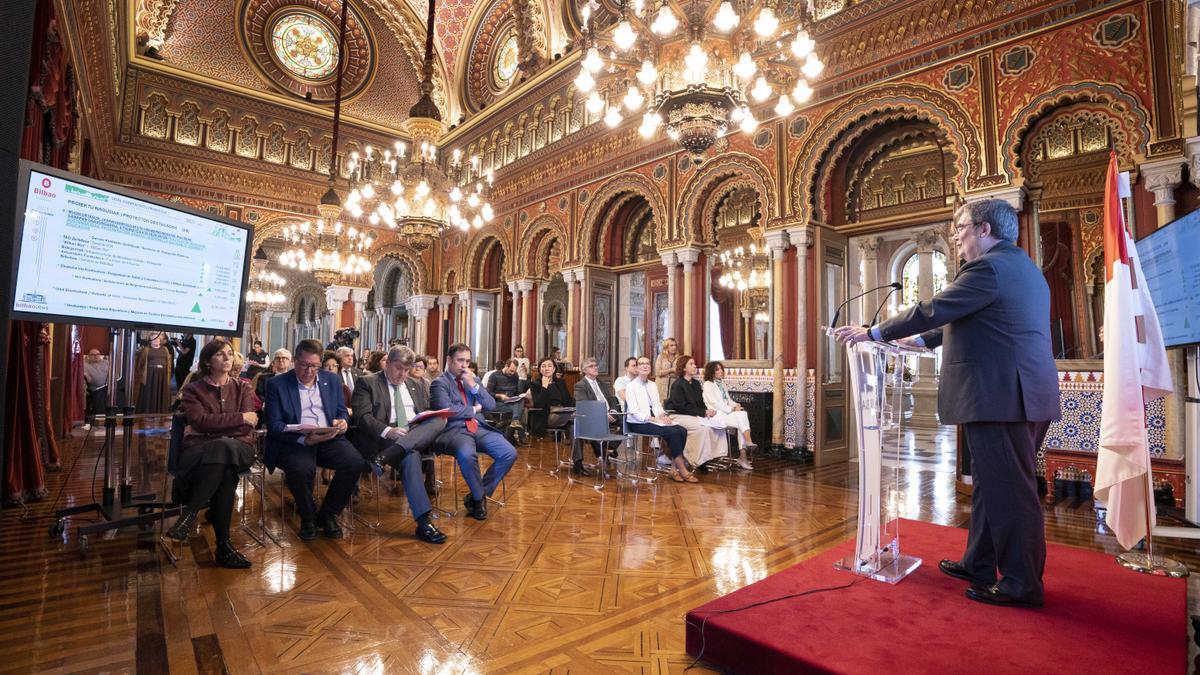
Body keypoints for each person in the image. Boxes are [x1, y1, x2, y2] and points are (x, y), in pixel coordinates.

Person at [834, 198, 1059, 608]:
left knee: (1011, 492)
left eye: (960, 228)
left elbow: (934, 308)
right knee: (993, 487)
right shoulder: (1020, 267)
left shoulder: (988, 268)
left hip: (1002, 396)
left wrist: (875, 333)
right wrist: (917, 341)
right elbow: (967, 317)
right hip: (1018, 393)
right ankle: (979, 562)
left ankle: (1021, 583)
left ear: (985, 230)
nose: (956, 237)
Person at [264, 339, 370, 540]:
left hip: (328, 437)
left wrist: (342, 422)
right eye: (304, 365)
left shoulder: (331, 380)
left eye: (314, 366)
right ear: (295, 361)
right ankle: (308, 516)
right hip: (295, 440)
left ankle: (329, 514)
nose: (309, 371)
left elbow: (341, 411)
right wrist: (303, 439)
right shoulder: (277, 385)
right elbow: (275, 426)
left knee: (355, 463)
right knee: (302, 469)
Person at [168, 338, 255, 569]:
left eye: (229, 353)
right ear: (207, 361)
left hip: (241, 448)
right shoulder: (192, 389)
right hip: (201, 452)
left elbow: (249, 424)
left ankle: (189, 514)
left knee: (223, 446)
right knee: (226, 472)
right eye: (220, 354)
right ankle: (224, 547)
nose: (227, 358)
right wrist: (238, 419)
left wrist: (215, 426)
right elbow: (200, 421)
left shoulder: (243, 387)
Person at [351, 346, 448, 544]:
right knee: (410, 456)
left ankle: (384, 458)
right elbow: (362, 417)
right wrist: (388, 431)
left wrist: (426, 419)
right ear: (387, 364)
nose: (402, 374)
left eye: (407, 369)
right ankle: (423, 522)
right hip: (383, 436)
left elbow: (423, 412)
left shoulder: (414, 384)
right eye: (398, 368)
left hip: (413, 432)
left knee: (439, 420)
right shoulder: (367, 382)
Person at [430, 343, 517, 521]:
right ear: (449, 360)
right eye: (460, 360)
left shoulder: (474, 380)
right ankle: (479, 500)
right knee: (467, 455)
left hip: (479, 428)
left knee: (509, 452)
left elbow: (491, 405)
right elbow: (446, 410)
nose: (464, 365)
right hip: (456, 430)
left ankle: (478, 494)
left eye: (467, 361)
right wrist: (474, 409)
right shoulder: (439, 383)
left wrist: (473, 387)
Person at [624, 356, 693, 482]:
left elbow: (657, 405)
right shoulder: (631, 386)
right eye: (641, 364)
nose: (645, 366)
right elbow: (633, 411)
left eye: (647, 363)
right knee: (672, 432)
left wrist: (663, 416)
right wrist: (653, 419)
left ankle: (673, 469)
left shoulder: (653, 384)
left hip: (656, 420)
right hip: (638, 423)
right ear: (637, 368)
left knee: (681, 430)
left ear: (650, 367)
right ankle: (682, 469)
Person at [665, 355, 728, 471]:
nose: (695, 366)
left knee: (715, 426)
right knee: (703, 429)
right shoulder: (678, 384)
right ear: (684, 368)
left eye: (694, 364)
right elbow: (681, 407)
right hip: (678, 415)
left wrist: (707, 412)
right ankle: (697, 461)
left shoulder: (695, 383)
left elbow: (700, 402)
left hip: (694, 414)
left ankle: (708, 458)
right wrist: (702, 412)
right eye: (691, 364)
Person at [572, 356, 622, 476]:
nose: (595, 367)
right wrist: (603, 414)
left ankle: (609, 448)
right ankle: (602, 451)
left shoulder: (601, 382)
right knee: (577, 427)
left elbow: (612, 398)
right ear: (584, 370)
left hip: (610, 415)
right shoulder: (580, 385)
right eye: (591, 366)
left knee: (628, 422)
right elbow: (585, 405)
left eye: (595, 365)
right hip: (594, 417)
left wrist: (613, 411)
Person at [702, 361, 755, 470]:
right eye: (717, 369)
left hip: (726, 413)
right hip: (716, 415)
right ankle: (745, 450)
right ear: (711, 372)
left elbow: (728, 400)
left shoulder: (722, 383)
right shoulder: (708, 384)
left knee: (742, 415)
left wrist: (736, 405)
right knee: (742, 418)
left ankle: (744, 454)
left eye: (721, 369)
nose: (721, 371)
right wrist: (732, 409)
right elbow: (715, 403)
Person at [527, 357, 573, 437]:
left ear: (554, 369)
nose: (546, 368)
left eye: (549, 366)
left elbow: (568, 400)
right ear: (540, 369)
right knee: (574, 418)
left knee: (574, 423)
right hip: (548, 415)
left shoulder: (561, 382)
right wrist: (544, 387)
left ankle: (576, 449)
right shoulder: (535, 384)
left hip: (564, 411)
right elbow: (539, 404)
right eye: (543, 366)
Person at [133, 331, 174, 414]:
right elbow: (140, 364)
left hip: (162, 376)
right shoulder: (146, 350)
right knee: (149, 395)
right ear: (150, 340)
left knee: (161, 394)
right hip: (150, 375)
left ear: (160, 340)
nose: (156, 341)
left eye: (157, 339)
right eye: (153, 339)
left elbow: (169, 364)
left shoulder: (165, 349)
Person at [486, 358, 527, 440]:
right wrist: (499, 395)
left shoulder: (515, 376)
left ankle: (513, 423)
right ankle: (516, 426)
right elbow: (488, 393)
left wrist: (522, 394)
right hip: (497, 403)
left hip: (510, 401)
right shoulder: (494, 375)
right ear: (506, 366)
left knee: (521, 400)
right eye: (511, 370)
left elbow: (516, 392)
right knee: (518, 409)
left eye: (514, 371)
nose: (512, 373)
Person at [83, 349, 109, 425]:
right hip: (93, 386)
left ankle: (109, 415)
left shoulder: (106, 363)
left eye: (97, 354)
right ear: (88, 356)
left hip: (107, 386)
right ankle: (99, 417)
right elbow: (87, 379)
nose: (95, 356)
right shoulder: (85, 364)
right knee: (98, 392)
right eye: (92, 354)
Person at [655, 337, 679, 403]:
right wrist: (671, 370)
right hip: (661, 386)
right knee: (660, 404)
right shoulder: (661, 357)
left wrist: (665, 372)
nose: (674, 347)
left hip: (673, 385)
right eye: (671, 345)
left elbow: (678, 373)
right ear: (666, 346)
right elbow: (657, 372)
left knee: (671, 405)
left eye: (675, 345)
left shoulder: (678, 358)